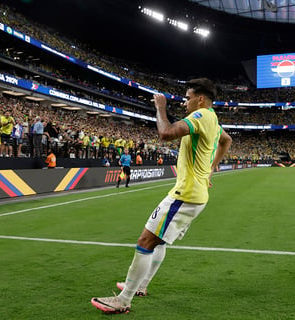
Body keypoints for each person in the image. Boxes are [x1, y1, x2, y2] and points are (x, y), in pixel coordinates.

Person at [91, 78, 232, 314]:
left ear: (200, 99)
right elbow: (227, 141)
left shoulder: (201, 116)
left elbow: (165, 133)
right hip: (195, 195)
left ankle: (123, 300)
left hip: (184, 195)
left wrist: (160, 107)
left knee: (145, 241)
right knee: (160, 240)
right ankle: (140, 285)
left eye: (187, 98)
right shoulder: (213, 119)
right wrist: (209, 169)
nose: (185, 102)